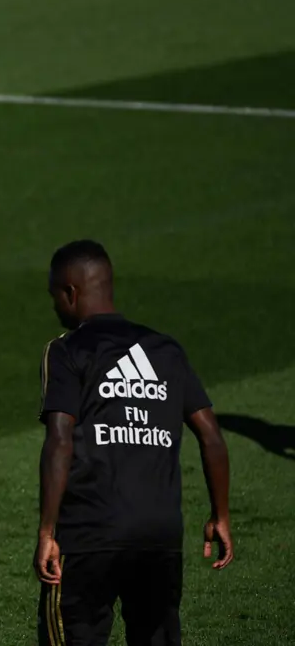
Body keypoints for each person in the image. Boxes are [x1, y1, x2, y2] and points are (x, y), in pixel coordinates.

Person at [35, 240, 234, 646]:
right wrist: (220, 515)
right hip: (159, 537)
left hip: (89, 536)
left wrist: (47, 531)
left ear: (70, 292)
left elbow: (59, 439)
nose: (54, 305)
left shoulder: (67, 350)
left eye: (55, 295)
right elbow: (211, 435)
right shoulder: (166, 350)